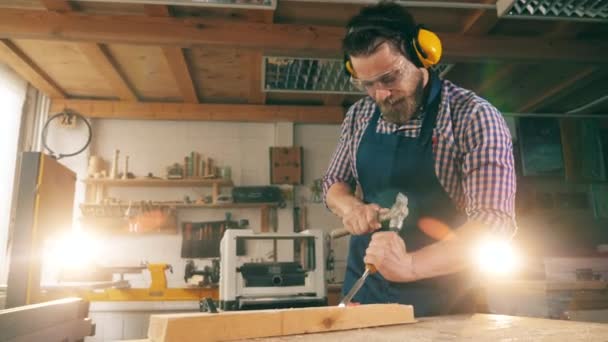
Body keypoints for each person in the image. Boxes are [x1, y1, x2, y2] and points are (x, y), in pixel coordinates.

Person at [322, 1, 517, 317]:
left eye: (389, 77)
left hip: (445, 302)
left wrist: (410, 265)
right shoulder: (360, 115)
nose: (380, 95)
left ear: (423, 54)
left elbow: (493, 222)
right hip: (364, 292)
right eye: (367, 84)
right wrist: (351, 208)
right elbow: (333, 183)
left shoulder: (472, 117)